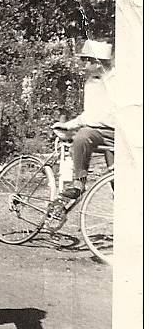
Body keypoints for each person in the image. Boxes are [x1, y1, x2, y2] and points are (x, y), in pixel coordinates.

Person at [48, 39, 115, 218]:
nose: (84, 65)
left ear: (98, 62)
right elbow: (90, 116)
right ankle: (79, 183)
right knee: (82, 136)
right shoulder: (91, 83)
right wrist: (68, 125)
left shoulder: (118, 81)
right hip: (98, 131)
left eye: (87, 60)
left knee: (118, 181)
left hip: (118, 133)